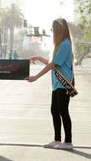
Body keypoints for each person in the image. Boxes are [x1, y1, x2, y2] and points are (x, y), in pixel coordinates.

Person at [25, 18, 74, 150]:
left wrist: (36, 77)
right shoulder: (60, 45)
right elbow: (53, 62)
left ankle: (68, 141)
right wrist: (40, 58)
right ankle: (57, 139)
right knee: (54, 110)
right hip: (57, 84)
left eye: (53, 28)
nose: (51, 31)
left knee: (63, 111)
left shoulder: (65, 44)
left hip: (63, 83)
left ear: (59, 30)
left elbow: (53, 64)